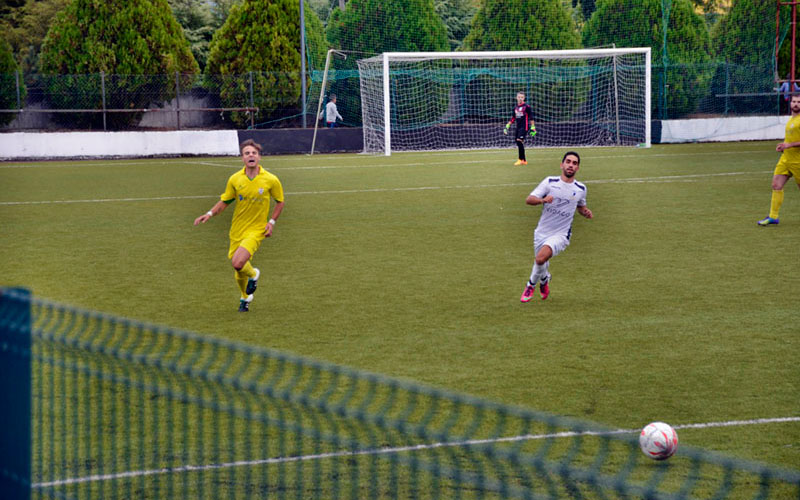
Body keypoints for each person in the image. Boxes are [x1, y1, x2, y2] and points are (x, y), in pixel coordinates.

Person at [193, 139, 285, 311]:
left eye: (254, 153)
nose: (251, 155)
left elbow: (280, 202)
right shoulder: (235, 179)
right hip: (237, 229)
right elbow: (225, 201)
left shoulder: (270, 179)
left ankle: (254, 274)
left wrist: (271, 222)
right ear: (242, 158)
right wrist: (209, 214)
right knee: (238, 270)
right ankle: (245, 297)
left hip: (256, 229)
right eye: (247, 153)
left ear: (259, 157)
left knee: (238, 263)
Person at [520, 151, 593, 302]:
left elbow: (580, 206)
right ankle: (545, 279)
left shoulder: (581, 188)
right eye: (568, 162)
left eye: (574, 163)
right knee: (542, 261)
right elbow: (529, 199)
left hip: (561, 234)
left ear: (578, 168)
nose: (571, 165)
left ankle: (530, 285)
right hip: (542, 232)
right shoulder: (550, 182)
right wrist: (543, 200)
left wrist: (585, 212)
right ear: (562, 165)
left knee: (540, 259)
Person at [758, 93, 800, 226]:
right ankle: (773, 217)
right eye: (794, 101)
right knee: (776, 184)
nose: (796, 104)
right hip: (786, 159)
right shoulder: (791, 120)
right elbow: (791, 139)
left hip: (798, 161)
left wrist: (789, 145)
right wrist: (784, 146)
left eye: (799, 102)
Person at [504, 91, 536, 165]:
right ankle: (524, 160)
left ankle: (520, 159)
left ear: (524, 98)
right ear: (516, 98)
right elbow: (513, 118)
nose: (520, 98)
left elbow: (531, 117)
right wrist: (507, 126)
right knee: (519, 143)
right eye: (519, 97)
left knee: (519, 140)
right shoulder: (515, 108)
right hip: (518, 127)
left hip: (524, 127)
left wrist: (533, 127)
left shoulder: (527, 107)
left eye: (522, 97)